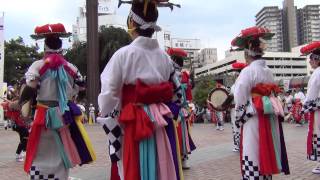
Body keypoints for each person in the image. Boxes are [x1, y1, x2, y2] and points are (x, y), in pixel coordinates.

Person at [98, 1, 182, 180]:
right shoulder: (165, 58)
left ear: (131, 23)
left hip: (133, 121)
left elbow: (108, 95)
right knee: (161, 167)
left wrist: (109, 117)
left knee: (133, 167)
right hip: (161, 121)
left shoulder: (123, 54)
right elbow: (177, 93)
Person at [23, 23, 96, 179]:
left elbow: (31, 87)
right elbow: (82, 87)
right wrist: (72, 98)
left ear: (45, 46)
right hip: (65, 115)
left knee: (40, 151)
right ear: (61, 46)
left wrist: (19, 103)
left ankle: (39, 176)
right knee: (62, 149)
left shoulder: (38, 65)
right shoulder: (71, 67)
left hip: (43, 115)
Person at [232, 26, 290, 179]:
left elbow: (239, 97)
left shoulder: (247, 71)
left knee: (253, 151)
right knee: (267, 148)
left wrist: (239, 117)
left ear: (247, 53)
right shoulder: (268, 71)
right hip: (267, 113)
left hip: (253, 115)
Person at [167, 47, 196, 170]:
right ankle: (183, 160)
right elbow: (188, 94)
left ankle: (176, 160)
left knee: (177, 134)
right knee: (183, 134)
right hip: (182, 106)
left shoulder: (170, 73)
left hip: (173, 107)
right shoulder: (184, 75)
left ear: (173, 60)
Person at [300, 41, 320, 174]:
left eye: (311, 58)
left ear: (317, 59)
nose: (310, 61)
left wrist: (304, 107)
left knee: (318, 134)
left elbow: (311, 94)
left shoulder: (317, 73)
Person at [230, 61, 247, 152]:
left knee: (237, 127)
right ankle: (241, 144)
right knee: (241, 127)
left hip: (238, 109)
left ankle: (238, 145)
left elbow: (235, 97)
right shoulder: (237, 83)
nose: (234, 74)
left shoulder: (238, 83)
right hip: (242, 108)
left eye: (235, 71)